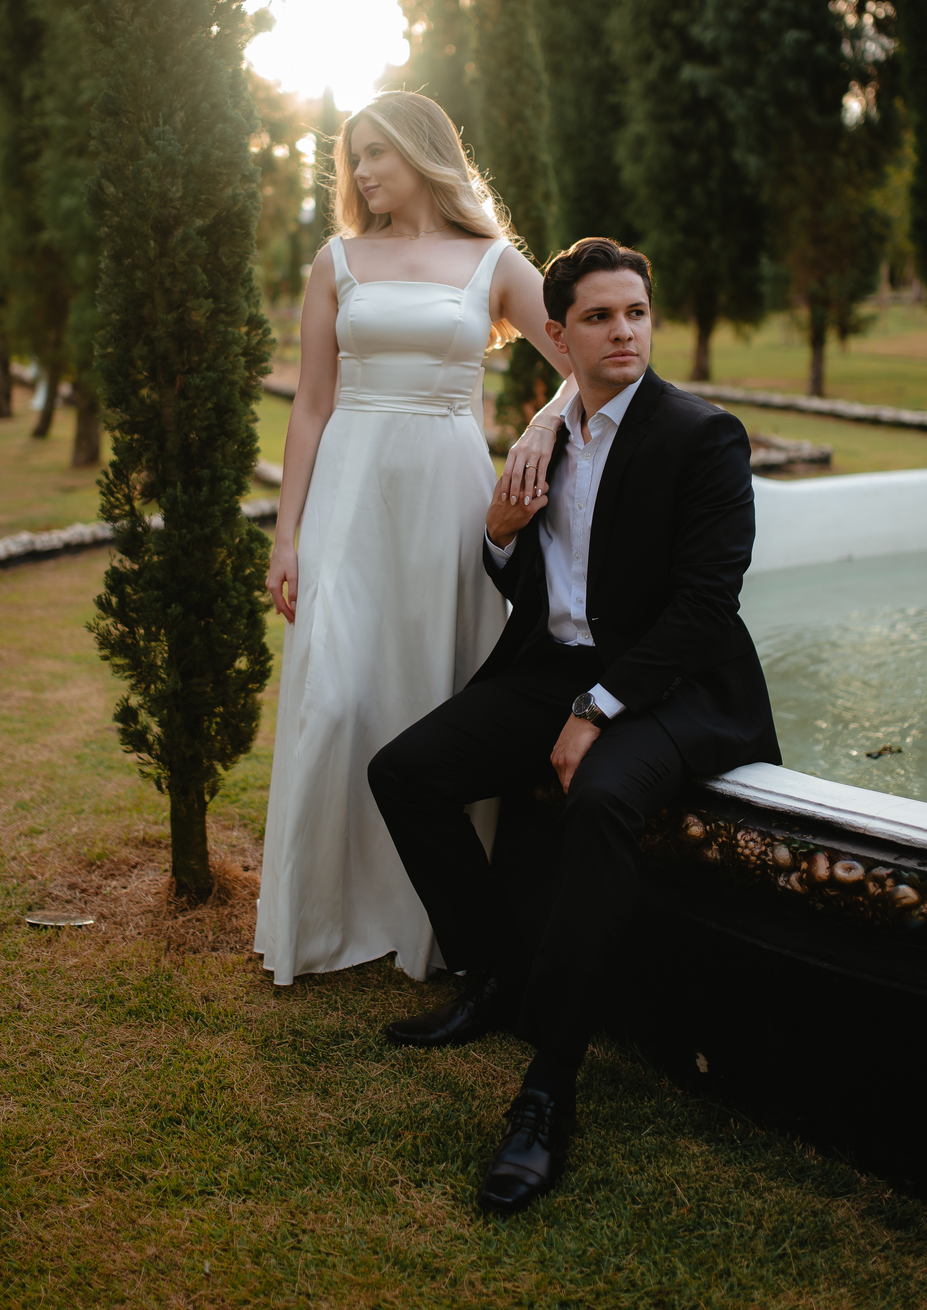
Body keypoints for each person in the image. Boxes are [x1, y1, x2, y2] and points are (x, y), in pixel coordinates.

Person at [368, 236, 780, 1216]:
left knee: (597, 800)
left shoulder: (703, 435)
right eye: (599, 317)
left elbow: (706, 606)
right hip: (555, 665)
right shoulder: (547, 435)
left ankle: (548, 1088)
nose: (623, 331)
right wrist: (499, 536)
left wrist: (597, 709)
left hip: (677, 684)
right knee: (405, 772)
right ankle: (496, 972)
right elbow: (539, 582)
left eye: (635, 312)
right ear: (559, 336)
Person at [254, 92, 574, 987]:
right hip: (349, 494)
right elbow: (311, 404)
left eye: (376, 153)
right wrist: (286, 536)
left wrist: (544, 421)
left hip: (448, 495)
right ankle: (320, 919)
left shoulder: (494, 262)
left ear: (423, 153)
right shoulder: (337, 260)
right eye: (352, 157)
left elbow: (582, 361)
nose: (360, 173)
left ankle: (434, 926)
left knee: (433, 690)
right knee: (333, 696)